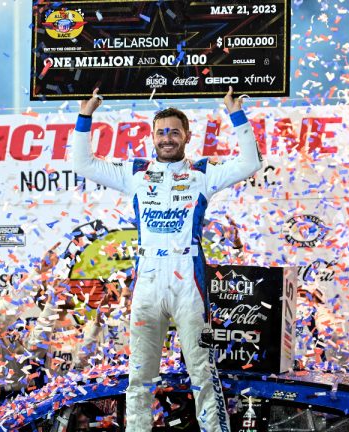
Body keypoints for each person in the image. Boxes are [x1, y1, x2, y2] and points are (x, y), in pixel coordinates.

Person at [73, 87, 262, 432]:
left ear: (187, 136)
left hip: (187, 281)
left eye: (174, 131)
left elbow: (250, 163)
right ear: (152, 137)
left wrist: (236, 115)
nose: (167, 138)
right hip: (147, 283)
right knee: (140, 376)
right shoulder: (136, 173)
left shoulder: (203, 172)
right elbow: (81, 163)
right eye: (161, 132)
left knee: (202, 372)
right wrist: (85, 116)